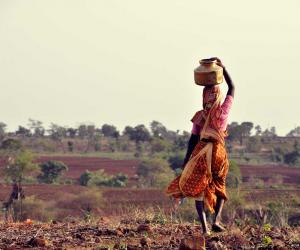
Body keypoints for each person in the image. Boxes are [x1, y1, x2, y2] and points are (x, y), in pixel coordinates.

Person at [165, 57, 235, 235]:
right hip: (219, 153)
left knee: (199, 188)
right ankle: (217, 219)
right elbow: (232, 88)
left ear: (204, 99)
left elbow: (192, 140)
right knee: (220, 184)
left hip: (202, 152)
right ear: (218, 97)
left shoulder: (200, 116)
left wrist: (187, 161)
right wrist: (223, 68)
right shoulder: (223, 112)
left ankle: (205, 229)